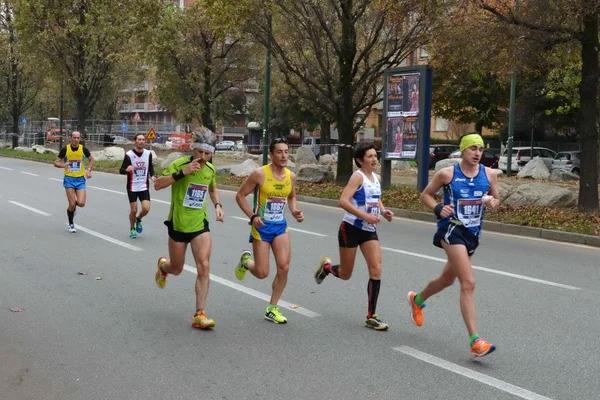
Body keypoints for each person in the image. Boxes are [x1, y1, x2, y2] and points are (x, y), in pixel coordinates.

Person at [407, 133, 501, 357]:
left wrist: (492, 202)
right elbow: (426, 195)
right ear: (463, 151)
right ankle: (475, 341)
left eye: (480, 149)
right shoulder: (447, 174)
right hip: (451, 229)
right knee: (468, 283)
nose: (478, 153)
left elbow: (497, 200)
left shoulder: (489, 175)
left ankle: (417, 300)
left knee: (447, 279)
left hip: (472, 234)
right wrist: (438, 208)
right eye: (473, 149)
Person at [314, 143, 394, 330]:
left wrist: (383, 211)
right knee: (345, 274)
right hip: (350, 228)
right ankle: (326, 268)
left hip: (369, 230)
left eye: (375, 155)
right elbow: (342, 201)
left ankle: (371, 316)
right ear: (360, 160)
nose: (374, 159)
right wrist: (365, 215)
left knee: (376, 269)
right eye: (370, 156)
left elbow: (375, 197)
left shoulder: (376, 177)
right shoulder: (357, 177)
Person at [153, 128, 224, 329]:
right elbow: (158, 185)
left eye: (207, 154)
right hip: (178, 224)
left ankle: (199, 314)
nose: (202, 157)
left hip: (199, 225)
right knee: (177, 268)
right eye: (200, 152)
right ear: (193, 149)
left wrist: (218, 205)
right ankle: (163, 268)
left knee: (204, 265)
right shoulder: (179, 164)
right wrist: (183, 173)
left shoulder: (210, 169)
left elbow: (212, 188)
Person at [234, 137, 304, 324]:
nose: (283, 155)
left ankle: (272, 308)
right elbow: (240, 196)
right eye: (279, 152)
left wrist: (294, 210)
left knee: (284, 267)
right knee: (262, 272)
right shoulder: (259, 174)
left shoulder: (291, 176)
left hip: (280, 227)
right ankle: (246, 261)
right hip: (262, 228)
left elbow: (291, 196)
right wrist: (252, 216)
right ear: (271, 154)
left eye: (286, 151)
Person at [53, 131, 94, 233]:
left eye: (78, 138)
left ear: (80, 139)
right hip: (69, 179)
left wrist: (89, 170)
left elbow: (91, 159)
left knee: (81, 203)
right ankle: (71, 224)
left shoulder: (83, 149)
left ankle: (72, 210)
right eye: (74, 137)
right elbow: (56, 162)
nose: (76, 139)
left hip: (80, 179)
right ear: (70, 138)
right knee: (72, 204)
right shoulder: (65, 149)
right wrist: (64, 165)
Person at [119, 134, 157, 238]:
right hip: (132, 186)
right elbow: (121, 170)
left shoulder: (148, 154)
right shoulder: (129, 155)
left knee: (146, 208)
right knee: (134, 210)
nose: (141, 141)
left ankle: (138, 219)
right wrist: (126, 170)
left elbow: (151, 167)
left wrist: (153, 176)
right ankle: (132, 228)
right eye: (139, 140)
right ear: (134, 141)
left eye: (143, 140)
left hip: (143, 186)